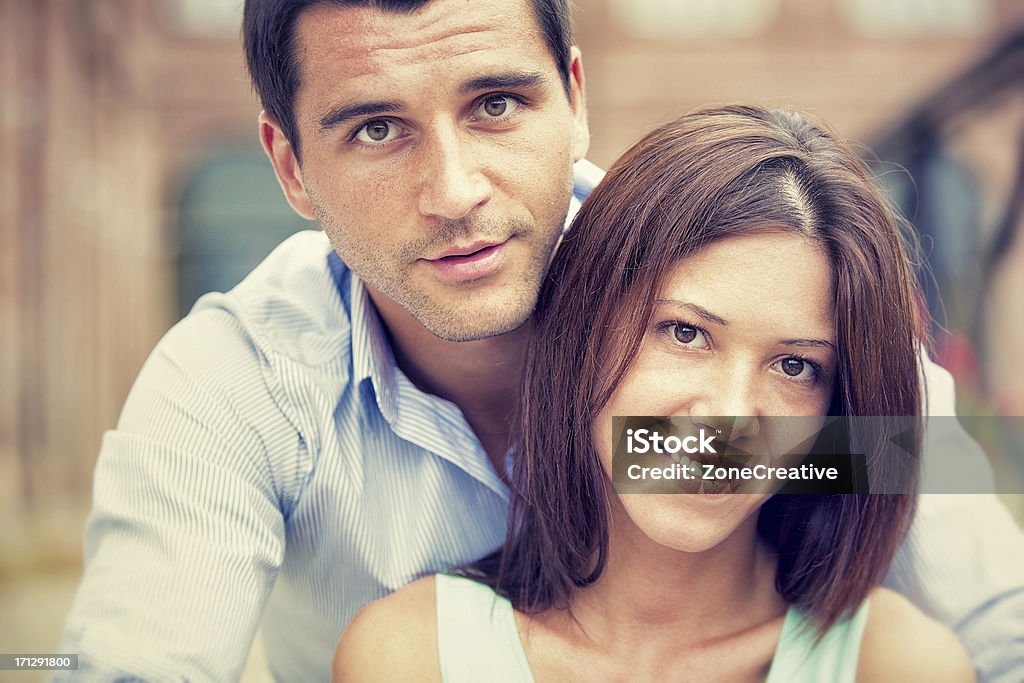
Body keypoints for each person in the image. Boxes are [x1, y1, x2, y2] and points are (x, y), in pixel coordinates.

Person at [57, 0, 1023, 680]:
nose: (456, 192)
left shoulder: (750, 289)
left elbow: (972, 586)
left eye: (497, 103)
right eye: (377, 130)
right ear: (292, 169)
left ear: (573, 96)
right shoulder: (237, 384)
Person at [333, 105, 976, 682]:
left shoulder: (897, 664)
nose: (726, 417)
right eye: (685, 332)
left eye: (794, 367)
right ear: (585, 328)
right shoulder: (413, 656)